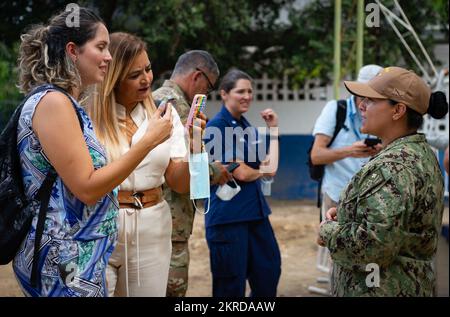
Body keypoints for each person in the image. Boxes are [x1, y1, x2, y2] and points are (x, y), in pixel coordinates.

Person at [13, 8, 172, 297]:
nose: (109, 57)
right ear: (73, 51)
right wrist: (147, 142)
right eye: (101, 47)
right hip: (63, 261)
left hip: (77, 256)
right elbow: (86, 187)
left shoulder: (65, 103)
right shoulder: (53, 103)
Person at [89, 33, 206, 297]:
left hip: (153, 226)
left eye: (148, 69)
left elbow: (179, 183)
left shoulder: (165, 115)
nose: (146, 79)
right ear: (113, 78)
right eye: (134, 75)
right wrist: (149, 140)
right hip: (100, 225)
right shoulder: (89, 116)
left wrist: (195, 147)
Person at [318, 66, 449, 296]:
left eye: (370, 100)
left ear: (398, 110)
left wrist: (328, 231)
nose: (361, 105)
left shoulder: (392, 167)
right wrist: (349, 213)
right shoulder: (418, 153)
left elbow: (373, 247)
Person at [152, 50, 232, 297]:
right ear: (197, 76)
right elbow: (183, 168)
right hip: (171, 221)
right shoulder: (181, 109)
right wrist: (215, 171)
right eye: (207, 88)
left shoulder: (152, 99)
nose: (206, 94)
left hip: (151, 216)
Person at [203, 69, 281, 297]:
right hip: (229, 219)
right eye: (240, 91)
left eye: (250, 91)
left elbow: (271, 167)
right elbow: (243, 173)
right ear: (224, 94)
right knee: (230, 287)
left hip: (256, 215)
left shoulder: (246, 126)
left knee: (269, 272)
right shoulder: (215, 128)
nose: (247, 96)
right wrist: (261, 171)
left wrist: (274, 130)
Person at [311, 64, 383, 220]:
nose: (364, 101)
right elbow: (316, 156)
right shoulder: (335, 110)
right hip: (336, 196)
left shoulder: (383, 112)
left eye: (373, 96)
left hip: (372, 199)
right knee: (332, 242)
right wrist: (350, 151)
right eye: (362, 93)